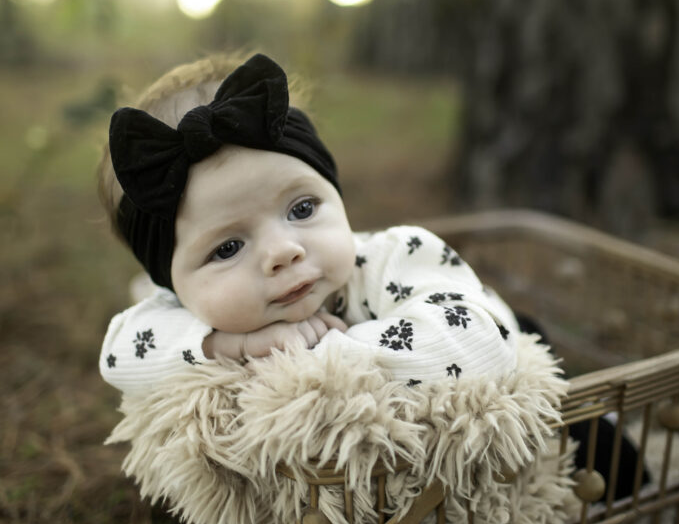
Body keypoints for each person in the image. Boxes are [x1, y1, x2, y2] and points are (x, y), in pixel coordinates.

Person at [98, 53, 520, 395]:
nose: (283, 251)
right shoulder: (187, 313)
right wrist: (232, 345)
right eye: (227, 248)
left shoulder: (394, 259)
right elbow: (118, 357)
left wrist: (318, 355)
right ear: (172, 283)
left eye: (301, 209)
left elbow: (485, 344)